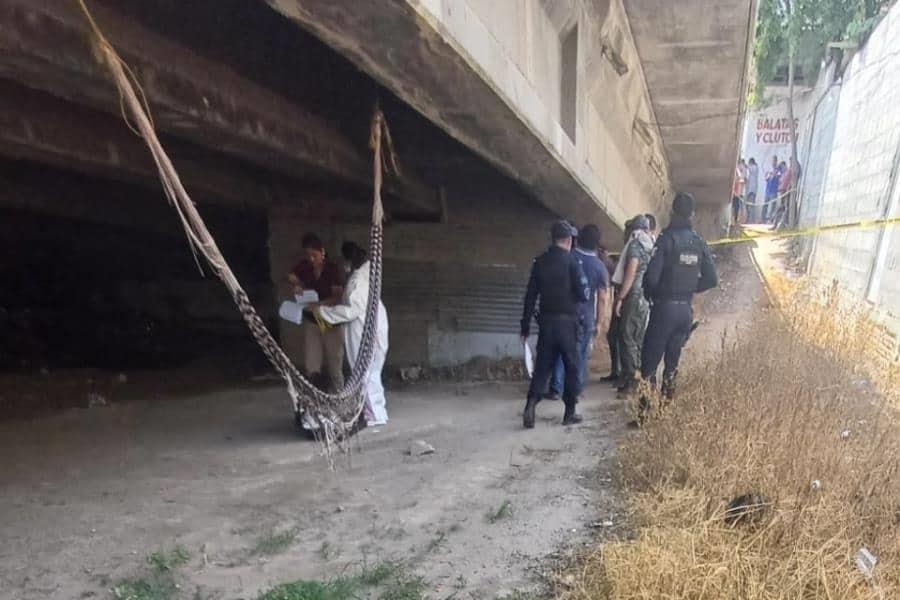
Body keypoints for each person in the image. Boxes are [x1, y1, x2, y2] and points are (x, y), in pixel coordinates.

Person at [640, 192, 718, 417]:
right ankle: (665, 411)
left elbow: (651, 278)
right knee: (672, 364)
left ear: (673, 211)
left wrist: (653, 293)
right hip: (685, 310)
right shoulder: (698, 242)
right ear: (692, 214)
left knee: (649, 364)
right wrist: (690, 289)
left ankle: (644, 414)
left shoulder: (666, 239)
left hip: (663, 308)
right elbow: (712, 278)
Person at [520, 220, 590, 429]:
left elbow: (530, 297)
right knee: (572, 368)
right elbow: (584, 294)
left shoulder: (539, 262)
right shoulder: (572, 263)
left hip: (547, 324)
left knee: (542, 367)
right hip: (568, 325)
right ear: (569, 240)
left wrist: (525, 326)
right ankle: (569, 412)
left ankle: (530, 405)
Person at [316, 242, 389, 427]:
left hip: (364, 328)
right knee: (371, 371)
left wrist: (323, 313)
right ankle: (375, 411)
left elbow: (352, 310)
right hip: (373, 325)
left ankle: (375, 415)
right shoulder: (367, 273)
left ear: (348, 261)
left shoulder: (357, 280)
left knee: (365, 371)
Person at [546, 224, 610, 399]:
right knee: (580, 353)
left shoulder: (568, 256)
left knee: (561, 350)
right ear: (597, 244)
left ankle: (556, 387)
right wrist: (600, 322)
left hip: (565, 312)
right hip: (586, 315)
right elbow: (603, 298)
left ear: (578, 239)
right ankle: (574, 390)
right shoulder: (599, 267)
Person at [288, 233, 346, 392]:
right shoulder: (305, 266)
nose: (312, 259)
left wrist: (317, 305)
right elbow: (291, 277)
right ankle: (315, 399)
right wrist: (298, 285)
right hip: (313, 321)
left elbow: (337, 297)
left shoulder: (332, 269)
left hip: (330, 321)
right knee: (312, 365)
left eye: (315, 255)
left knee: (335, 364)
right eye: (308, 255)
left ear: (323, 251)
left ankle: (339, 397)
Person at [614, 215, 654, 397]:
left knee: (627, 336)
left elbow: (630, 273)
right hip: (646, 297)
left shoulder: (636, 245)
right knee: (638, 338)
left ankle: (632, 380)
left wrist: (620, 297)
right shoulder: (652, 246)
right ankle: (638, 376)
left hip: (634, 295)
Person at [763, 155, 781, 223]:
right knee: (765, 205)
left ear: (776, 161)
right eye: (772, 161)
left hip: (774, 190)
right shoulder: (769, 169)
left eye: (774, 161)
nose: (773, 162)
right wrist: (768, 175)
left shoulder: (778, 169)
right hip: (768, 190)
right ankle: (763, 218)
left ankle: (771, 219)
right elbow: (766, 178)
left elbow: (779, 176)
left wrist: (774, 174)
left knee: (773, 205)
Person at [745, 158, 759, 222]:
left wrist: (745, 166)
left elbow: (750, 169)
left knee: (751, 206)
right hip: (749, 190)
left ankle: (751, 220)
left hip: (752, 190)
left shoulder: (755, 167)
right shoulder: (751, 173)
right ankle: (748, 219)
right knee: (747, 206)